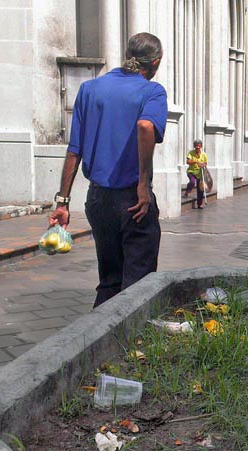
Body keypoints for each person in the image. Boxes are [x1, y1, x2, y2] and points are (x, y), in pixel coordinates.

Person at [48, 33, 167, 308]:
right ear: (155, 62)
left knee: (110, 280)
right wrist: (143, 184)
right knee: (138, 285)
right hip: (132, 202)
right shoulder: (152, 92)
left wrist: (63, 202)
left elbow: (74, 149)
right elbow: (146, 127)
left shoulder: (90, 89)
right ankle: (128, 348)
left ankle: (98, 343)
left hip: (99, 200)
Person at [183, 140, 208, 209]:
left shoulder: (204, 155)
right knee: (192, 182)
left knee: (200, 189)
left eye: (199, 147)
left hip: (200, 173)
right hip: (191, 171)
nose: (197, 149)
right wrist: (194, 161)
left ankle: (199, 204)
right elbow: (188, 161)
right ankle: (187, 191)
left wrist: (202, 165)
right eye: (196, 147)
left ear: (201, 147)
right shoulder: (191, 153)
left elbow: (205, 163)